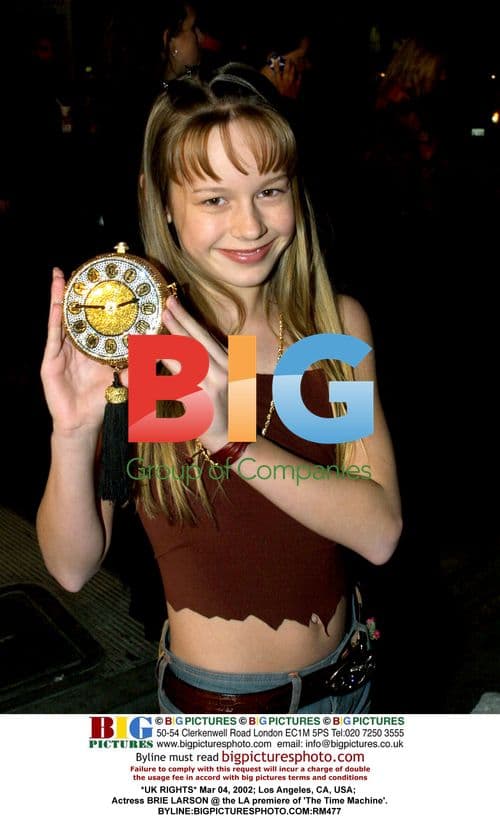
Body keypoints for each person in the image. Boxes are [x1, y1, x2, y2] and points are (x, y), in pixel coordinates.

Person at [36, 65, 402, 714]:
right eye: (214, 199)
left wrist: (234, 439)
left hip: (352, 681)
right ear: (162, 201)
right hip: (223, 713)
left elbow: (377, 532)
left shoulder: (332, 327)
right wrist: (72, 434)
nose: (251, 224)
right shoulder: (145, 350)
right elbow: (70, 568)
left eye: (270, 189)